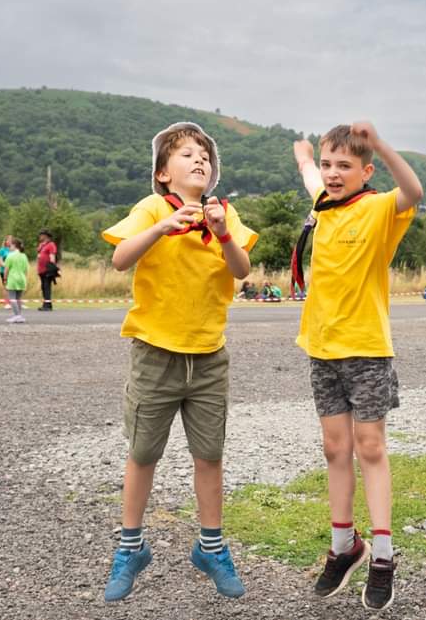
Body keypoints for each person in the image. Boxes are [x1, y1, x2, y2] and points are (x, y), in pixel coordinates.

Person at [100, 121, 257, 603]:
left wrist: (221, 234)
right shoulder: (150, 208)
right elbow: (120, 259)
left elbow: (241, 270)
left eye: (205, 155)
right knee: (143, 453)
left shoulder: (223, 212)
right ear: (164, 173)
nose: (199, 160)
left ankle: (211, 546)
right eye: (187, 153)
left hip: (209, 356)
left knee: (209, 455)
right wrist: (161, 227)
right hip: (156, 353)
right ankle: (131, 546)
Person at [291, 120, 422, 610]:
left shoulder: (379, 207)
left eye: (344, 166)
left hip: (366, 347)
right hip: (322, 347)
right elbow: (310, 175)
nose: (332, 173)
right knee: (334, 447)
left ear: (366, 171)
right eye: (329, 165)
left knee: (370, 446)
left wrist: (381, 143)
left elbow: (413, 189)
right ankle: (345, 545)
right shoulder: (323, 203)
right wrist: (305, 156)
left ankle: (383, 556)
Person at [3, 238, 30, 323]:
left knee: (12, 299)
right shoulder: (24, 255)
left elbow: (6, 269)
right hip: (22, 279)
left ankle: (17, 315)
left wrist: (5, 278)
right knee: (18, 299)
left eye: (10, 245)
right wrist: (25, 279)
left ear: (14, 245)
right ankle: (19, 315)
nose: (9, 247)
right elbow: (26, 270)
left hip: (13, 279)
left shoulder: (10, 255)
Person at [36, 230, 59, 311]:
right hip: (41, 270)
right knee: (43, 287)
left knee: (46, 286)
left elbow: (52, 256)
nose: (40, 237)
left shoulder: (51, 245)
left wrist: (52, 267)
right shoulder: (42, 245)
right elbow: (39, 254)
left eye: (41, 235)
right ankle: (45, 303)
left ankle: (48, 305)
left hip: (47, 269)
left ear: (46, 236)